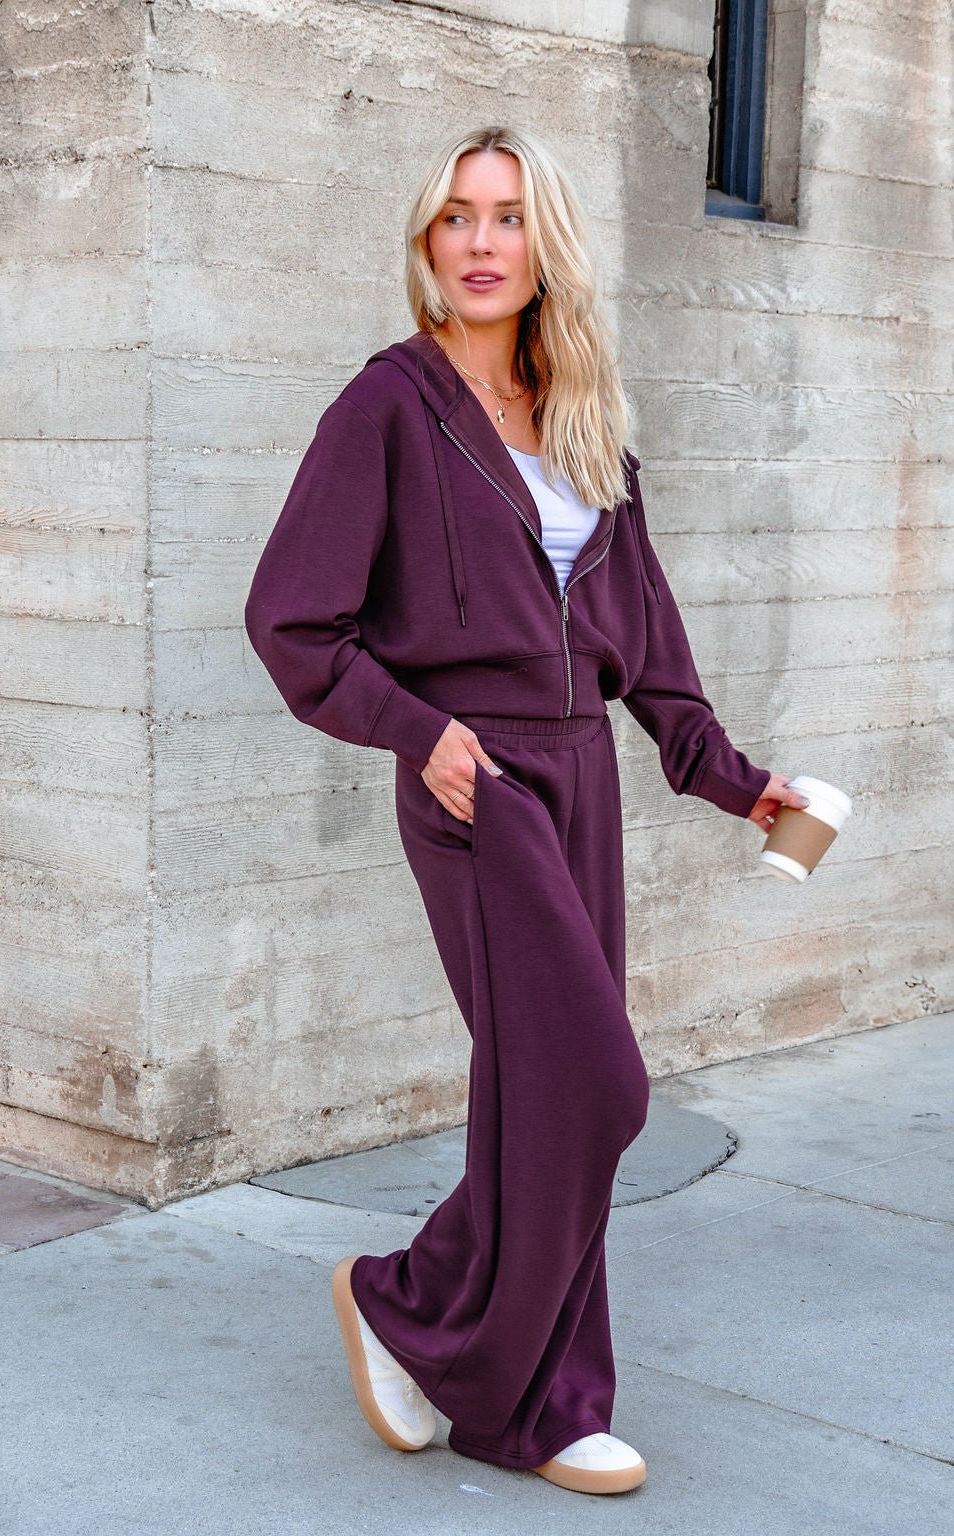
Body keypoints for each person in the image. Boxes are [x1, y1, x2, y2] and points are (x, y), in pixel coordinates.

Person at [243, 124, 808, 1496]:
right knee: (594, 1083)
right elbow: (291, 622)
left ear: (544, 243)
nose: (483, 243)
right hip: (473, 779)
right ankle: (437, 1324)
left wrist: (742, 783)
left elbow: (650, 657)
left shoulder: (586, 419)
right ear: (429, 246)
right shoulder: (388, 405)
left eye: (506, 217)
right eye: (458, 218)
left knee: (542, 1089)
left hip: (584, 782)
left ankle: (529, 1377)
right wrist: (421, 731)